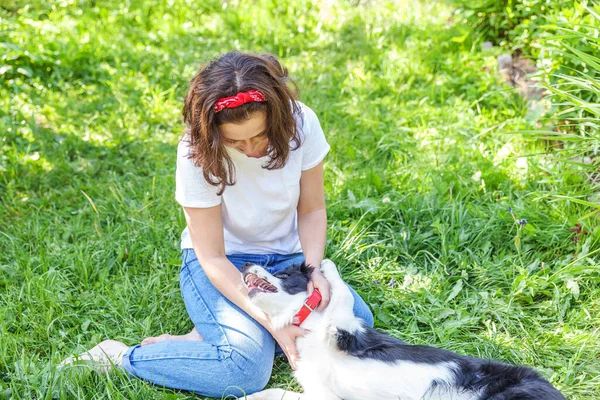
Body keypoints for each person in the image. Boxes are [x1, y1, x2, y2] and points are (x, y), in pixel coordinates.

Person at [62, 51, 374, 398]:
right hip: (225, 263)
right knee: (245, 369)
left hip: (287, 259)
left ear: (278, 116)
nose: (251, 149)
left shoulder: (302, 123)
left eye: (260, 135)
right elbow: (212, 258)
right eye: (234, 141)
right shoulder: (195, 151)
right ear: (213, 133)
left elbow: (312, 210)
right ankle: (121, 357)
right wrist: (273, 322)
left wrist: (313, 270)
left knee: (356, 323)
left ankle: (214, 335)